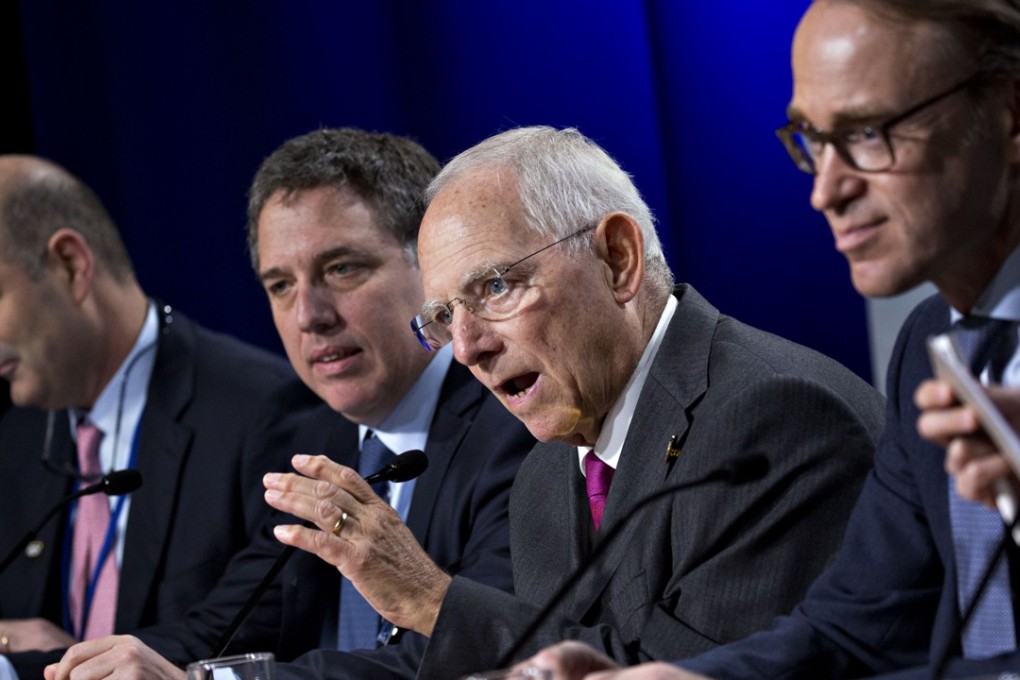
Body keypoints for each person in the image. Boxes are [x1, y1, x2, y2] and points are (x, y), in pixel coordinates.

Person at [259, 124, 885, 680]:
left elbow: (694, 672)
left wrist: (433, 601)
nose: (469, 347)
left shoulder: (773, 419)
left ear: (618, 259)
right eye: (446, 316)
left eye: (496, 286)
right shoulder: (547, 474)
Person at [524, 1, 1020, 677]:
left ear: (1008, 114)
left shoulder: (778, 403)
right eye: (813, 140)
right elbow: (854, 629)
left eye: (870, 133)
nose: (827, 189)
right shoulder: (930, 344)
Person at [44, 128, 534, 680]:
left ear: (427, 264)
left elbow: (480, 654)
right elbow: (220, 628)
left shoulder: (513, 428)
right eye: (281, 285)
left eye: (341, 269)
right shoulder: (311, 443)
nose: (309, 315)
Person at [0, 155, 317, 679]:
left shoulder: (265, 410)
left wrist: (23, 666)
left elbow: (238, 638)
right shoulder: (17, 438)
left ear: (71, 265)